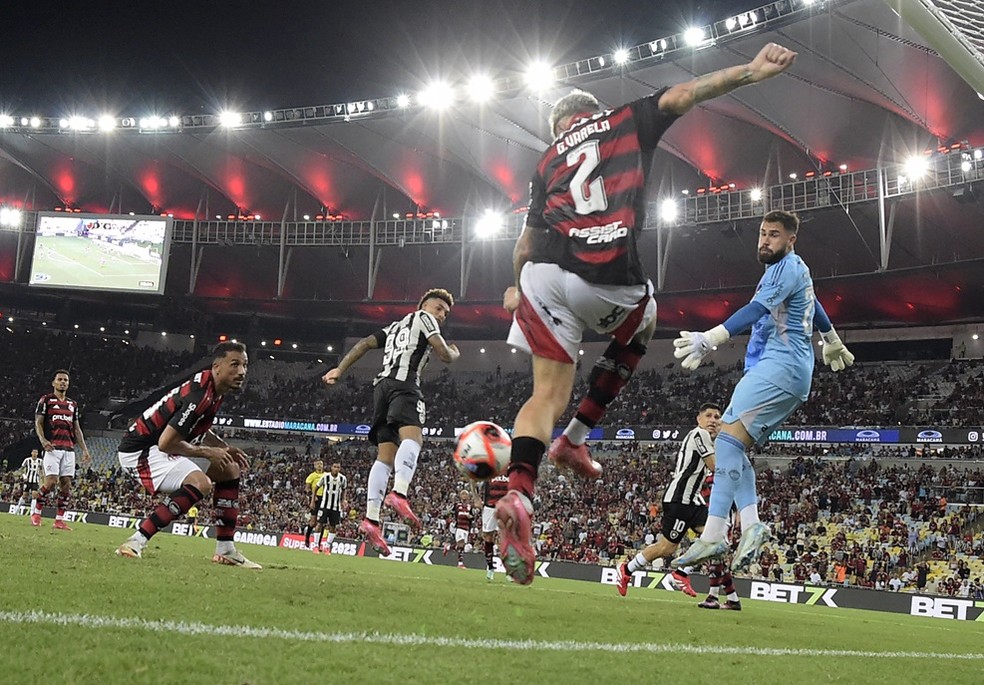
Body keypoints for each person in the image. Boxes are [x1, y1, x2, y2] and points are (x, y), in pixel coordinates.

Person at [494, 42, 800, 585]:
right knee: (649, 319)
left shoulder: (546, 161)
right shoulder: (623, 120)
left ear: (559, 123)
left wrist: (515, 290)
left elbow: (524, 245)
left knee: (543, 395)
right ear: (591, 110)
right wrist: (750, 72)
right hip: (608, 279)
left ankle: (519, 488)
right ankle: (576, 439)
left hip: (542, 278)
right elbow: (686, 93)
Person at [671, 209, 856, 573]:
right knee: (734, 446)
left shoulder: (787, 268)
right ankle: (752, 525)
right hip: (783, 372)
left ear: (791, 239)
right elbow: (814, 302)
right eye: (762, 233)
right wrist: (831, 337)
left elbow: (756, 309)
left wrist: (712, 338)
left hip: (779, 368)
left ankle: (714, 534)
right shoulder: (787, 271)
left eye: (774, 234)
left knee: (724, 441)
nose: (765, 240)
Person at [323, 288, 460, 556]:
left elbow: (364, 343)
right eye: (439, 308)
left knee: (385, 457)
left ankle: (371, 519)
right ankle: (399, 492)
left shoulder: (395, 326)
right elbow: (444, 354)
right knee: (414, 439)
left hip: (381, 388)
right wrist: (455, 352)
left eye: (446, 312)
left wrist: (340, 369)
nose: (442, 315)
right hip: (404, 385)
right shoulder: (423, 317)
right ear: (424, 305)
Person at [115, 342, 260, 568]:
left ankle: (226, 550)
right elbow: (167, 443)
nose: (242, 371)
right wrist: (207, 452)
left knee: (229, 469)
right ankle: (136, 541)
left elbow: (195, 427)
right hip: (140, 451)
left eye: (245, 365)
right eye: (235, 364)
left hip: (157, 447)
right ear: (217, 366)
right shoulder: (200, 394)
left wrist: (222, 447)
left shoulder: (213, 390)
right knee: (200, 483)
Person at [616, 402, 722, 597]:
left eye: (717, 417)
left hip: (693, 500)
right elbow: (714, 467)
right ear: (699, 419)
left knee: (716, 538)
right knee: (666, 548)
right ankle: (627, 569)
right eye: (709, 416)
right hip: (679, 499)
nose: (713, 421)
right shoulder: (700, 434)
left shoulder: (710, 439)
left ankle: (681, 572)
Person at [30, 369, 92, 529]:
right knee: (50, 482)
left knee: (66, 484)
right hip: (52, 448)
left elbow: (77, 429)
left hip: (69, 449)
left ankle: (59, 520)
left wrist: (85, 450)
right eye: (60, 379)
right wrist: (43, 440)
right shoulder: (46, 400)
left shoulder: (73, 405)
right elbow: (38, 422)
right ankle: (36, 513)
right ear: (54, 383)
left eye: (66, 380)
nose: (63, 382)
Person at [477, 473, 509, 581]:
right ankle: (490, 567)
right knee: (488, 537)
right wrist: (476, 498)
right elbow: (472, 479)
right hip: (489, 508)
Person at [312, 462, 347, 554]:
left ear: (340, 469)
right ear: (331, 467)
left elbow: (344, 489)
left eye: (338, 467)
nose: (336, 469)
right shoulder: (325, 477)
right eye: (334, 467)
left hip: (336, 507)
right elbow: (316, 487)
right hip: (324, 505)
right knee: (319, 524)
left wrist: (343, 500)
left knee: (333, 526)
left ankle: (327, 546)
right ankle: (315, 545)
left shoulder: (343, 479)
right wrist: (313, 500)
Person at [303, 459, 326, 548]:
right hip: (315, 499)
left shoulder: (326, 475)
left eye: (321, 464)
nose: (319, 465)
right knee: (313, 522)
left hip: (324, 499)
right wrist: (312, 496)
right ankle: (307, 537)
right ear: (315, 466)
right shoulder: (312, 476)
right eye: (317, 464)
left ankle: (319, 544)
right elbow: (307, 489)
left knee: (322, 523)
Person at [452, 489, 474, 569]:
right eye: (463, 494)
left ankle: (448, 548)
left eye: (466, 494)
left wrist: (470, 517)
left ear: (468, 496)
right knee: (461, 544)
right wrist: (465, 516)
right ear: (460, 496)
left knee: (462, 546)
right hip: (460, 527)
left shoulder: (470, 506)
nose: (464, 495)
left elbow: (473, 517)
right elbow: (456, 515)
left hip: (466, 528)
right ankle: (460, 563)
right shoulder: (457, 505)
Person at [16, 449, 42, 514]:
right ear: (31, 453)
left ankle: (32, 511)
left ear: (37, 453)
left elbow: (42, 470)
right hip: (27, 480)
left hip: (35, 480)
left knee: (34, 495)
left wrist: (41, 478)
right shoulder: (27, 460)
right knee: (25, 495)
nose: (35, 453)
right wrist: (24, 476)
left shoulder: (40, 461)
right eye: (34, 452)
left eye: (36, 452)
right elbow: (21, 469)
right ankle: (17, 508)